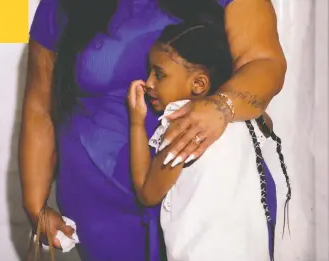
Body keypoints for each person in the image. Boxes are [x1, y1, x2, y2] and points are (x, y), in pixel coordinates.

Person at [19, 0, 287, 260]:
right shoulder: (63, 4)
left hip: (207, 202)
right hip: (102, 212)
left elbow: (265, 62)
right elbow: (38, 107)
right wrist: (35, 205)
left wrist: (221, 105)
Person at [128, 22, 290, 261]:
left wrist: (136, 124)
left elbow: (147, 192)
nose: (149, 83)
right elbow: (267, 126)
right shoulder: (248, 116)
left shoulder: (183, 126)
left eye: (159, 74)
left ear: (199, 84)